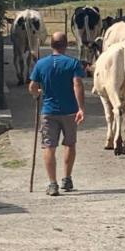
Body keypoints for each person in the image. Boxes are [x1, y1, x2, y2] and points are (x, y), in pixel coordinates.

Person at [28, 31, 87, 197]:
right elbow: (78, 84)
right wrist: (81, 107)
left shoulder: (41, 64)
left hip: (48, 111)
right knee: (69, 144)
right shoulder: (73, 63)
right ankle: (67, 178)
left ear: (51, 44)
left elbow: (32, 87)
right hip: (70, 112)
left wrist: (39, 92)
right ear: (66, 45)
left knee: (49, 146)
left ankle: (52, 184)